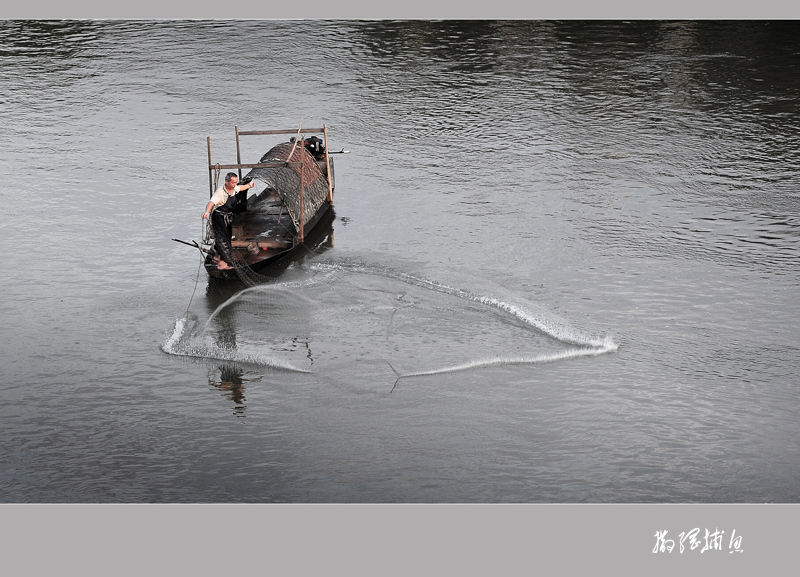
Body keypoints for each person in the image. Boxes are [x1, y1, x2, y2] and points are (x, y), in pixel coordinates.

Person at [202, 172, 256, 270]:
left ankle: (216, 257)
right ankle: (224, 263)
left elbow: (241, 188)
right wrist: (206, 212)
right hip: (219, 217)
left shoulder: (234, 188)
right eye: (232, 182)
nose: (234, 184)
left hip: (227, 217)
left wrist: (249, 185)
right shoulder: (220, 193)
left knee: (227, 236)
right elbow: (211, 203)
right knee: (224, 240)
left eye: (235, 182)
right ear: (226, 182)